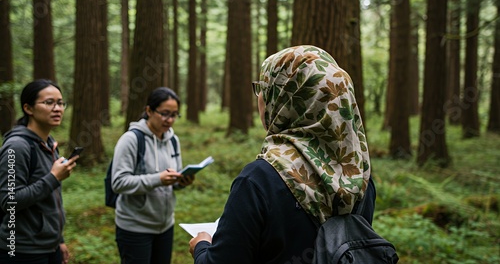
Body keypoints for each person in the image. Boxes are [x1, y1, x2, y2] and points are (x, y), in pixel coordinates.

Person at [189, 45, 376, 264]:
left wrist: (202, 246)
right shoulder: (360, 175)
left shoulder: (259, 179)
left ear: (285, 98)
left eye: (263, 88)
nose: (259, 97)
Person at [112, 87, 195, 264]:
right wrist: (157, 179)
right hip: (135, 228)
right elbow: (118, 182)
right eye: (165, 113)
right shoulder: (131, 140)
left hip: (165, 225)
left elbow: (173, 178)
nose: (170, 120)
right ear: (149, 110)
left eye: (174, 115)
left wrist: (182, 181)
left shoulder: (173, 140)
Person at [0, 79, 78, 264]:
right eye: (49, 103)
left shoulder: (49, 144)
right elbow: (9, 201)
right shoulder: (16, 147)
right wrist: (53, 177)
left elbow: (50, 200)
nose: (57, 108)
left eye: (60, 103)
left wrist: (59, 240)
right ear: (28, 108)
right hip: (21, 250)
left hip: (48, 246)